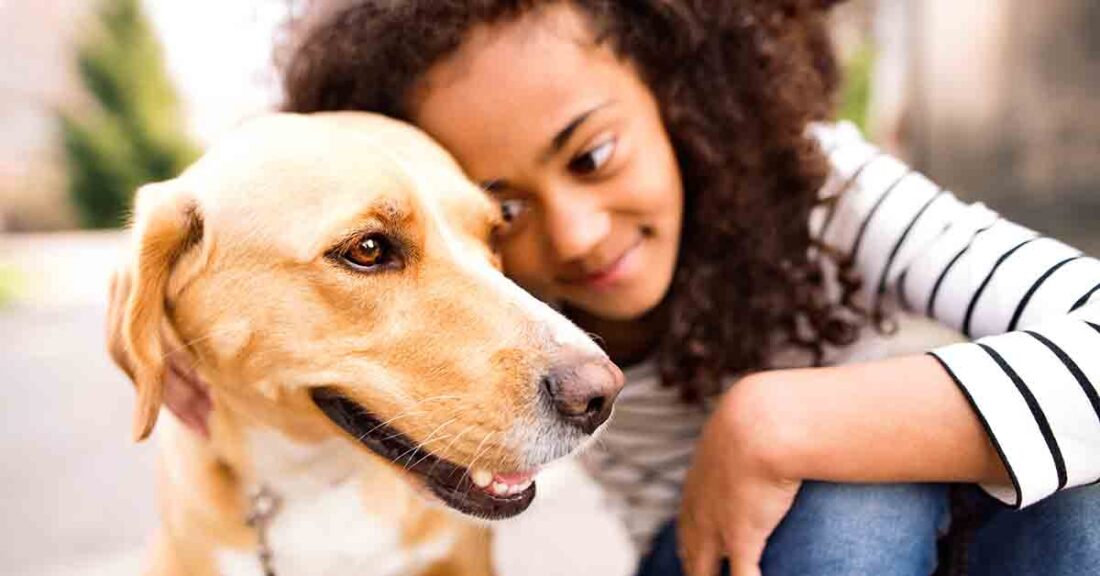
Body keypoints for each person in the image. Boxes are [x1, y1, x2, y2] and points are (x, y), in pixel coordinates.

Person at [154, 1, 1100, 575]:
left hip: (945, 525)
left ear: (676, 90)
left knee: (1065, 485)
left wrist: (771, 422)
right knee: (857, 506)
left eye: (594, 154)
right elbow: (307, 209)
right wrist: (176, 313)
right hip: (706, 557)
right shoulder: (491, 295)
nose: (573, 233)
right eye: (502, 207)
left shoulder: (826, 191)